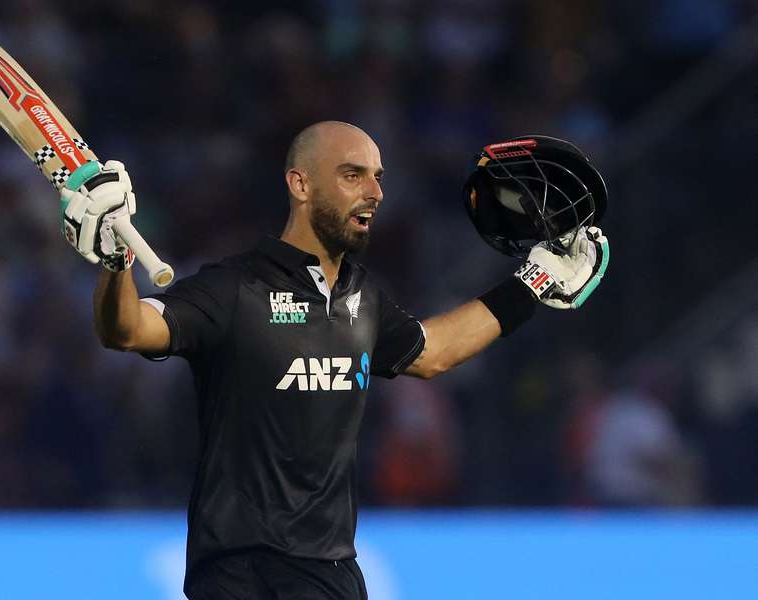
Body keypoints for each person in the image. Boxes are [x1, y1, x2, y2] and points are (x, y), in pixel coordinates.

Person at [60, 121, 609, 599]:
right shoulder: (234, 287)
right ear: (300, 184)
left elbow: (432, 352)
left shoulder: (363, 296)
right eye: (353, 175)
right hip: (236, 573)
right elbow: (127, 330)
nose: (374, 192)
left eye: (378, 177)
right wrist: (114, 261)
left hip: (331, 573)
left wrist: (531, 287)